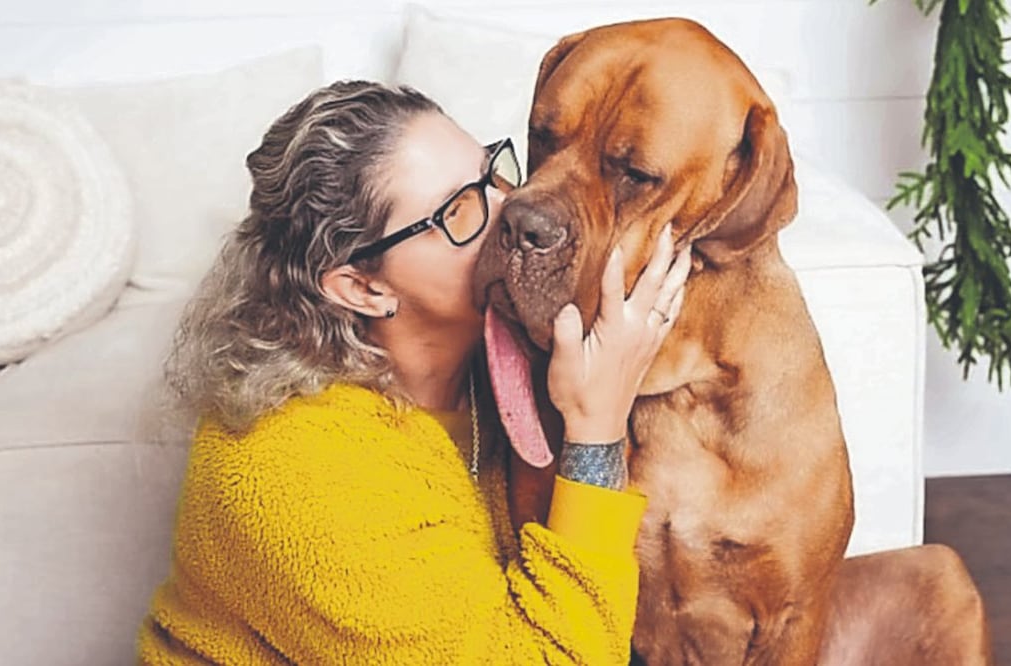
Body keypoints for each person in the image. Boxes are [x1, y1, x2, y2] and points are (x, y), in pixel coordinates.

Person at [137, 80, 691, 665]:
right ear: (363, 287)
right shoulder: (293, 474)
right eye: (458, 211)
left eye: (493, 175)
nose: (511, 211)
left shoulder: (497, 361)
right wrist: (597, 426)